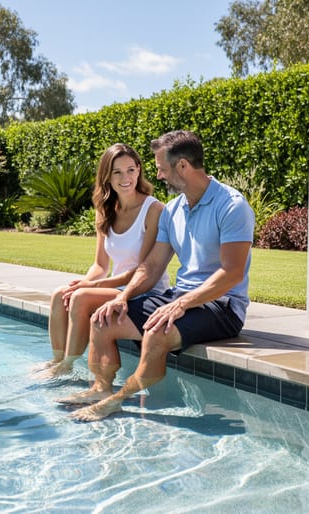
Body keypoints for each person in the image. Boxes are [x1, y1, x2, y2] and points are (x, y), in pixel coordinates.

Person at [62, 130, 255, 421]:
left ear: (182, 167)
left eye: (162, 169)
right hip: (180, 296)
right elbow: (152, 266)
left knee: (156, 332)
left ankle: (118, 399)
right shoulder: (173, 210)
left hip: (222, 305)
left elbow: (231, 273)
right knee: (103, 319)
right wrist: (123, 297)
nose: (159, 176)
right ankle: (101, 388)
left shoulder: (232, 206)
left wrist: (180, 305)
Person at [43, 143, 169, 377]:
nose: (126, 177)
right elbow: (100, 265)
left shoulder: (153, 209)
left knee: (81, 296)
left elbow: (142, 271)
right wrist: (82, 282)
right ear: (107, 176)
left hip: (142, 290)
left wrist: (89, 287)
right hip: (115, 287)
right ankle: (57, 361)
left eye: (131, 170)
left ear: (139, 170)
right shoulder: (105, 209)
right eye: (117, 172)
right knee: (61, 294)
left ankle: (67, 366)